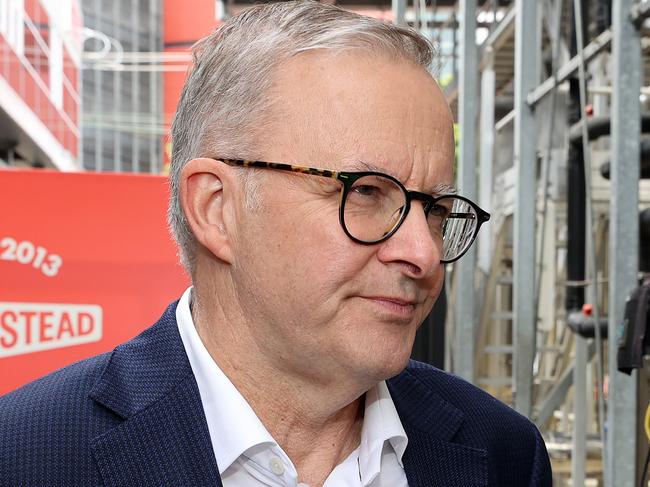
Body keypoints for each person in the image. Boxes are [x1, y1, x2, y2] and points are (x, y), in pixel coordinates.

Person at [0, 2, 552, 485]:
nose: (424, 254)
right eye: (364, 192)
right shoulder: (25, 455)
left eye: (432, 208)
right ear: (217, 209)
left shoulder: (503, 452)